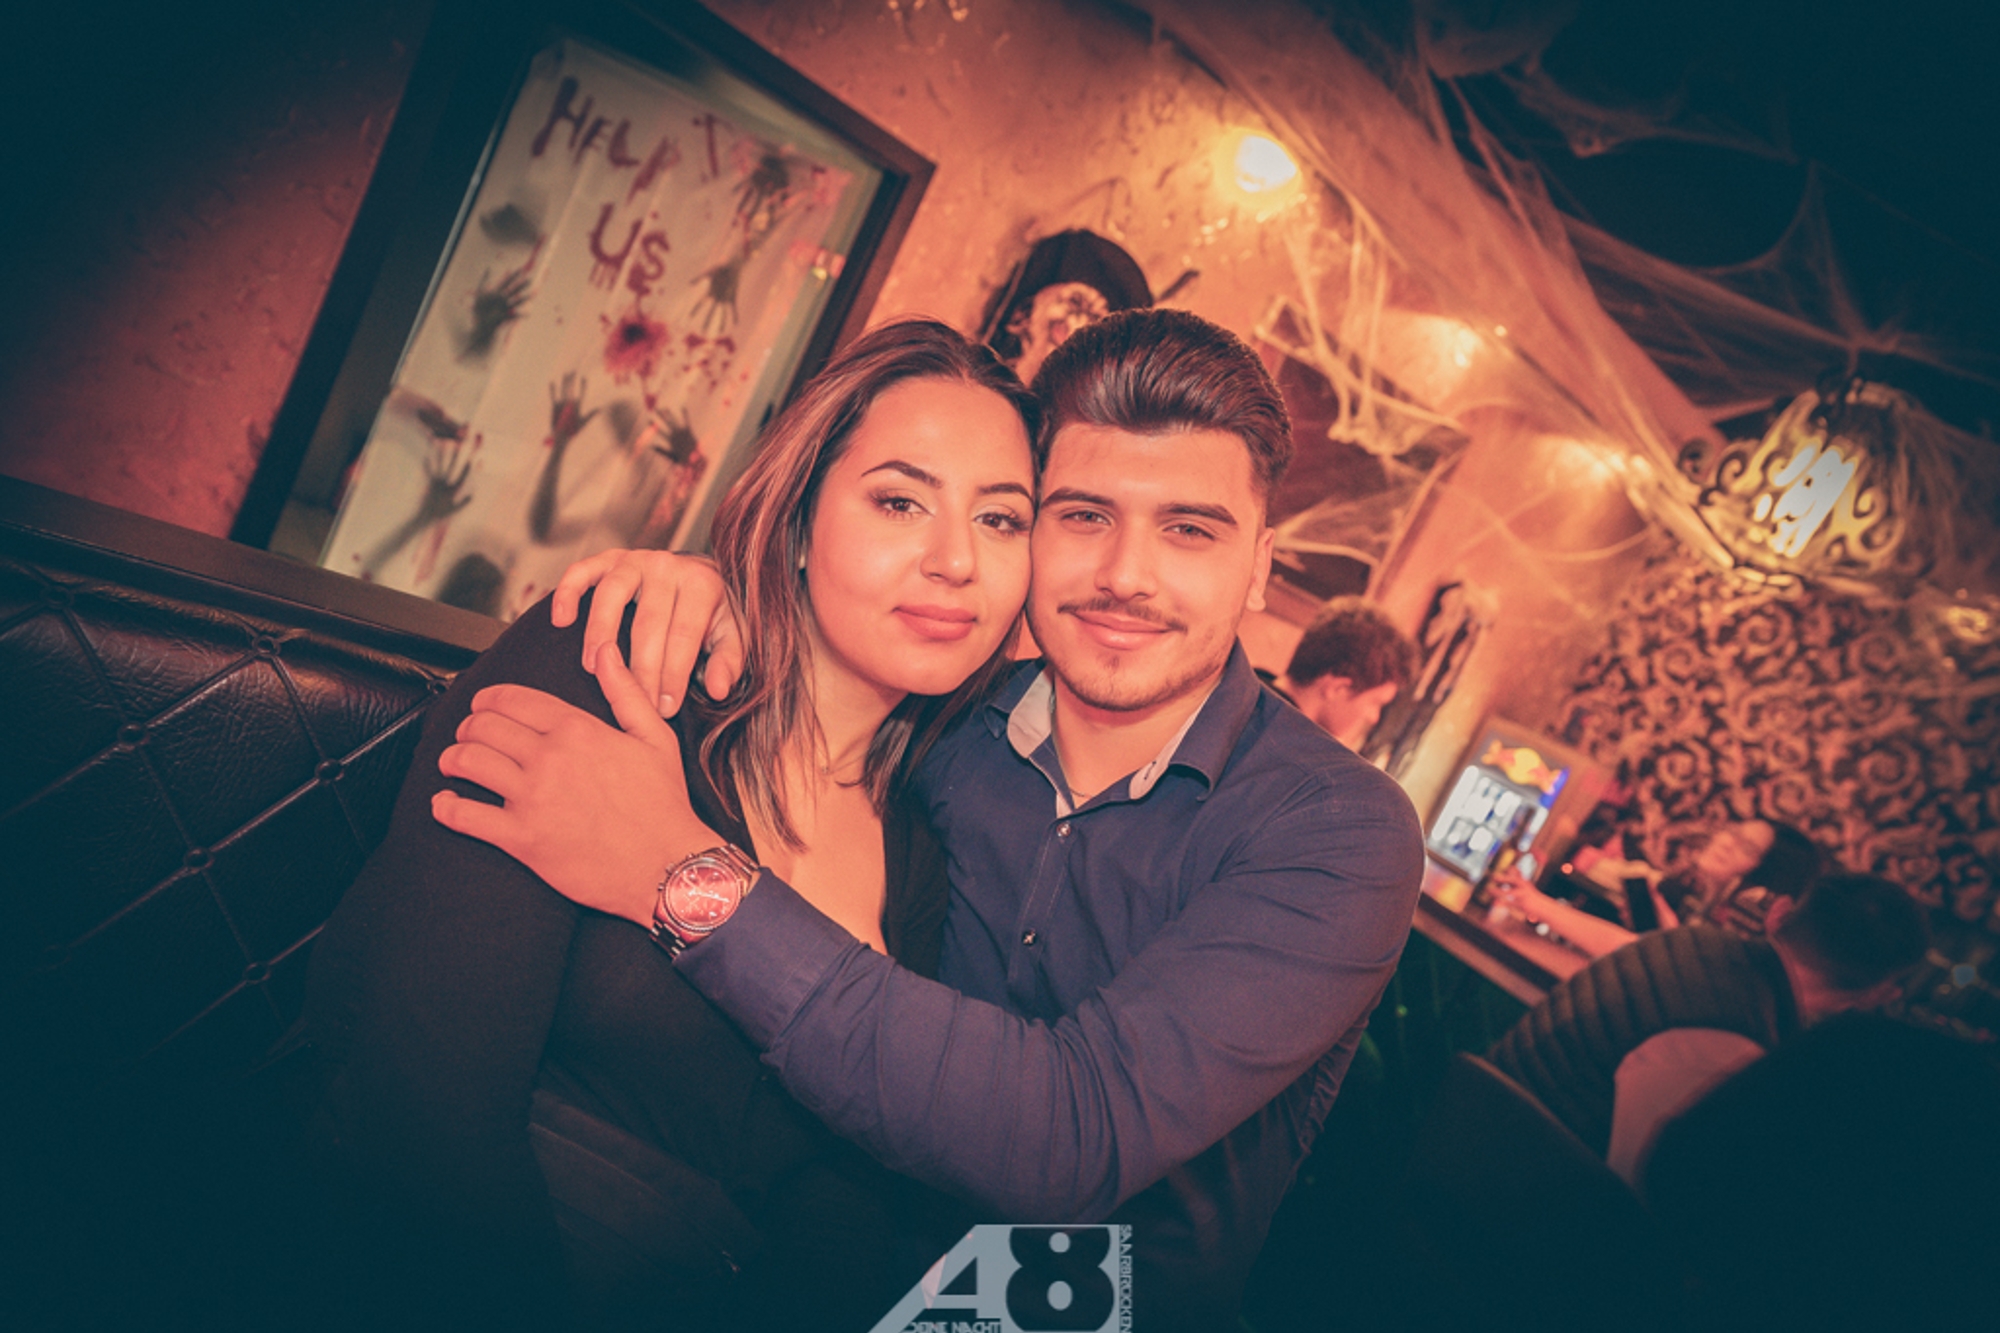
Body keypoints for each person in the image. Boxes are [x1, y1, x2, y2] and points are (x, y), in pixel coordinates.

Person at [445, 308, 1428, 1331]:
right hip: (800, 1263)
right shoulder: (937, 732)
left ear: (1259, 565)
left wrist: (683, 878)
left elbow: (1071, 1136)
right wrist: (718, 593)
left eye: (1189, 529)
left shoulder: (1334, 829)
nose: (1125, 574)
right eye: (1082, 515)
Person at [299, 319, 1041, 1328]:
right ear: (797, 520)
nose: (955, 559)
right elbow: (419, 1111)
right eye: (898, 500)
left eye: (1000, 519)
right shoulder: (607, 663)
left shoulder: (918, 851)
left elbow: (843, 1213)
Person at [1487, 872, 1928, 1185]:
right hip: (1506, 1203)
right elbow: (1635, 1197)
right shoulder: (1729, 1045)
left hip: (1482, 1146)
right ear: (1877, 995)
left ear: (1778, 913)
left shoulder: (1695, 942)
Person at [1494, 817, 1821, 959]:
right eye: (1733, 832)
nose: (1725, 842)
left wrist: (1534, 902)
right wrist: (1663, 927)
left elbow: (1632, 951)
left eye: (1745, 847)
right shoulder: (1703, 906)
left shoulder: (1741, 926)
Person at [1269, 595, 1418, 751]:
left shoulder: (1255, 692)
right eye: (1375, 703)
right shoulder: (1284, 752)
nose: (1374, 717)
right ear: (1337, 688)